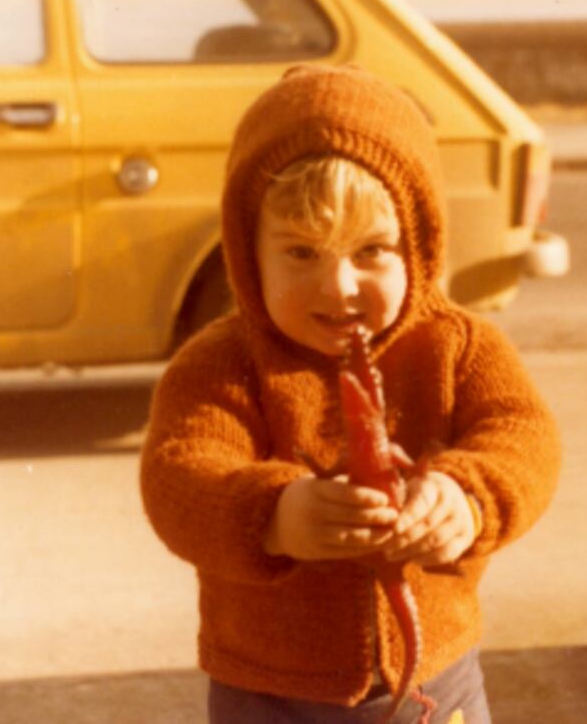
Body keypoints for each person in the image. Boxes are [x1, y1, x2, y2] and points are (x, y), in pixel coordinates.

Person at [140, 64, 561, 723]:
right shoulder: (219, 365)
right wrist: (273, 515)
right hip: (265, 687)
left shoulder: (460, 347)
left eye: (371, 251)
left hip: (435, 677)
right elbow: (178, 477)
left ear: (418, 246)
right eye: (302, 253)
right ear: (249, 253)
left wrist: (469, 499)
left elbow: (524, 437)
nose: (338, 285)